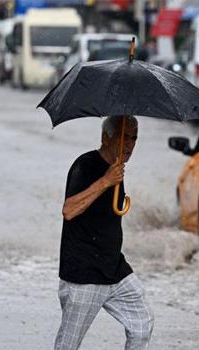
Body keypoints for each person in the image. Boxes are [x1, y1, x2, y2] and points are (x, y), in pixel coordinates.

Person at [55, 116, 154, 350]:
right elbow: (69, 210)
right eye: (123, 137)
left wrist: (113, 178)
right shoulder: (86, 165)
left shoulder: (117, 170)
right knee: (67, 346)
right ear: (105, 137)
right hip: (84, 274)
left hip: (114, 270)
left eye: (133, 138)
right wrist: (105, 181)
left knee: (142, 325)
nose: (129, 144)